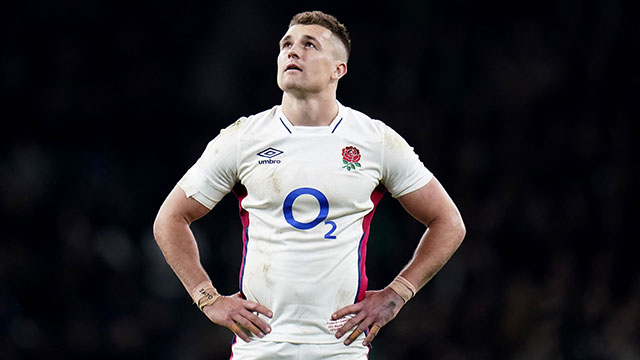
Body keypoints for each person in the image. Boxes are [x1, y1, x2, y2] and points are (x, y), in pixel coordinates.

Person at [153, 10, 465, 360]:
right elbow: (170, 219)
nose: (292, 51)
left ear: (338, 69)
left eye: (309, 44)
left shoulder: (374, 140)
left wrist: (398, 293)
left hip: (339, 349)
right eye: (286, 44)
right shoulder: (243, 138)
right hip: (260, 347)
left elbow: (448, 222)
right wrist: (207, 297)